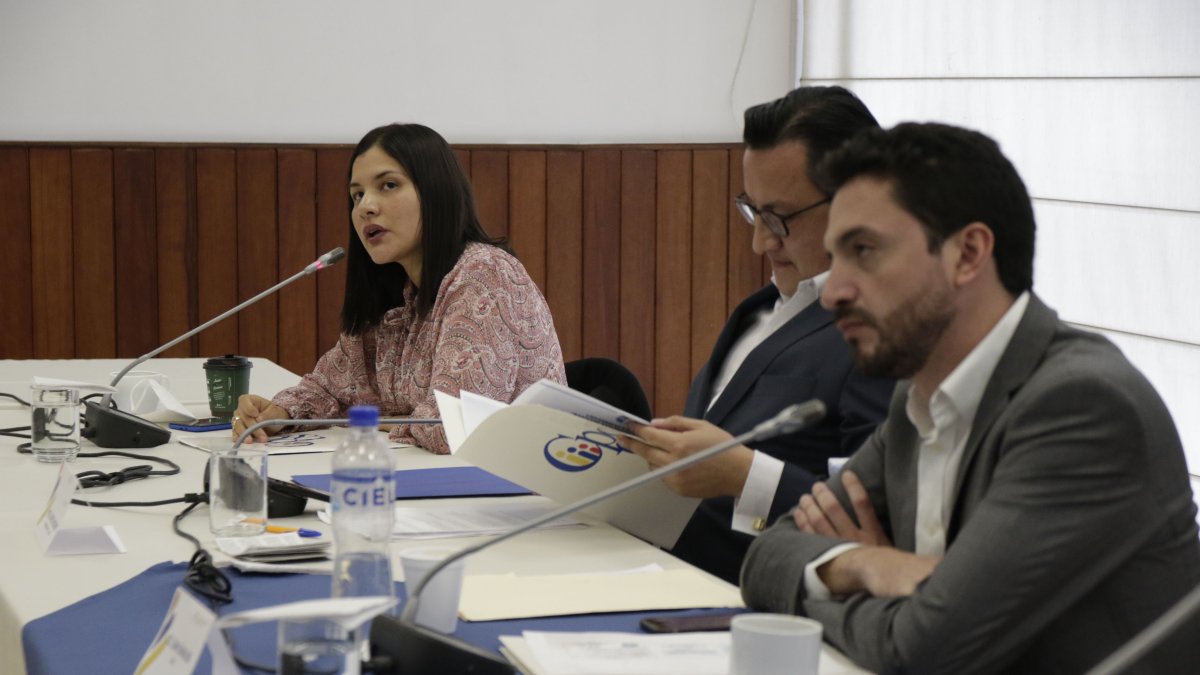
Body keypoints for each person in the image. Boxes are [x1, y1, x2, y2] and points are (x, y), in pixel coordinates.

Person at [740, 122, 1200, 673]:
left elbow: (921, 653)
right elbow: (764, 561)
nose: (834, 290)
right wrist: (864, 564)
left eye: (864, 251)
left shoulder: (1082, 407)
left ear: (968, 254)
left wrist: (838, 591)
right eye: (836, 257)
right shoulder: (919, 404)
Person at [623, 87, 895, 583]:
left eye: (781, 218)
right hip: (663, 571)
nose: (760, 241)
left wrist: (746, 477)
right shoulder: (761, 308)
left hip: (764, 600)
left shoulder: (884, 333)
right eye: (752, 210)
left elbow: (877, 521)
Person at [231, 123, 566, 454]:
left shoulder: (484, 275)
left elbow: (452, 427)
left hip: (521, 492)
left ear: (435, 191)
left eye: (388, 185)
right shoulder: (402, 294)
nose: (365, 207)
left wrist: (368, 417)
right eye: (357, 195)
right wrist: (279, 413)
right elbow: (331, 388)